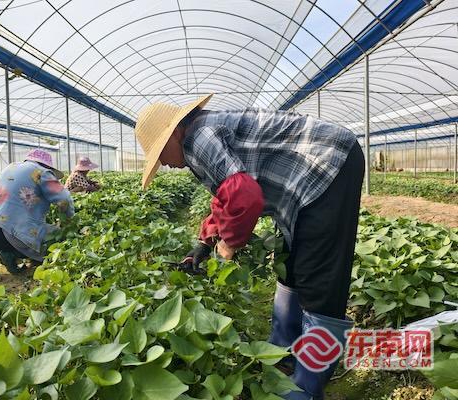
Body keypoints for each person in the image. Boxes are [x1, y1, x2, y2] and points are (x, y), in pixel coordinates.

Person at [134, 94, 364, 400]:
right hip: (304, 181)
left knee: (319, 280)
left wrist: (230, 242)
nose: (163, 163)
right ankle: (281, 353)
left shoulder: (199, 138)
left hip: (329, 163)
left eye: (160, 153)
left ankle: (305, 388)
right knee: (291, 265)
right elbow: (226, 195)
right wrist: (204, 242)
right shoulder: (199, 135)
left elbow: (245, 195)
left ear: (175, 133)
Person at [0, 149, 74, 273]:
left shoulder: (10, 168)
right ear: (47, 166)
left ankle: (6, 252)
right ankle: (12, 254)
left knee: (13, 232)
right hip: (7, 230)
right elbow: (64, 200)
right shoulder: (42, 172)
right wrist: (69, 221)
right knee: (56, 237)